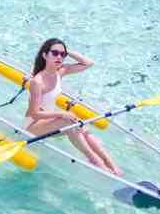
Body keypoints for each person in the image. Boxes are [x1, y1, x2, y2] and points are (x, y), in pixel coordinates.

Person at [25, 38, 122, 176]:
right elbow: (34, 114)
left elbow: (88, 63)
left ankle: (111, 164)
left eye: (62, 54)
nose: (59, 57)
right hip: (33, 125)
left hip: (48, 121)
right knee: (68, 121)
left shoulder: (60, 72)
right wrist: (61, 114)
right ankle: (96, 161)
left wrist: (67, 50)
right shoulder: (37, 82)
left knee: (81, 126)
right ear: (45, 55)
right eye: (55, 53)